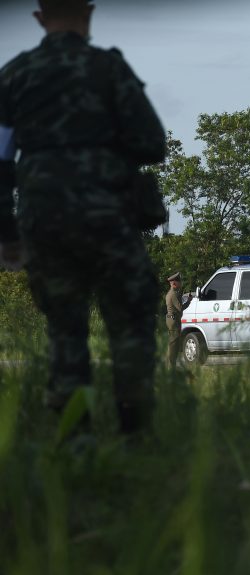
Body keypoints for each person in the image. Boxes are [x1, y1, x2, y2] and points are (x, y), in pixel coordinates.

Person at [0, 0, 167, 435]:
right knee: (130, 322)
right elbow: (152, 142)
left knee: (65, 328)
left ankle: (76, 440)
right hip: (108, 215)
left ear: (39, 18)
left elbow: (0, 160)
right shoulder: (108, 70)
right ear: (88, 12)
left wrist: (7, 232)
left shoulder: (15, 74)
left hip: (44, 218)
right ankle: (135, 432)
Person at [165, 272, 183, 367]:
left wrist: (188, 301)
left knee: (173, 343)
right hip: (173, 320)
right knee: (173, 344)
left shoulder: (172, 293)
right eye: (179, 282)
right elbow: (180, 308)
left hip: (172, 319)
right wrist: (183, 300)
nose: (181, 283)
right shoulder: (173, 294)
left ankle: (170, 365)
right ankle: (170, 366)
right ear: (175, 283)